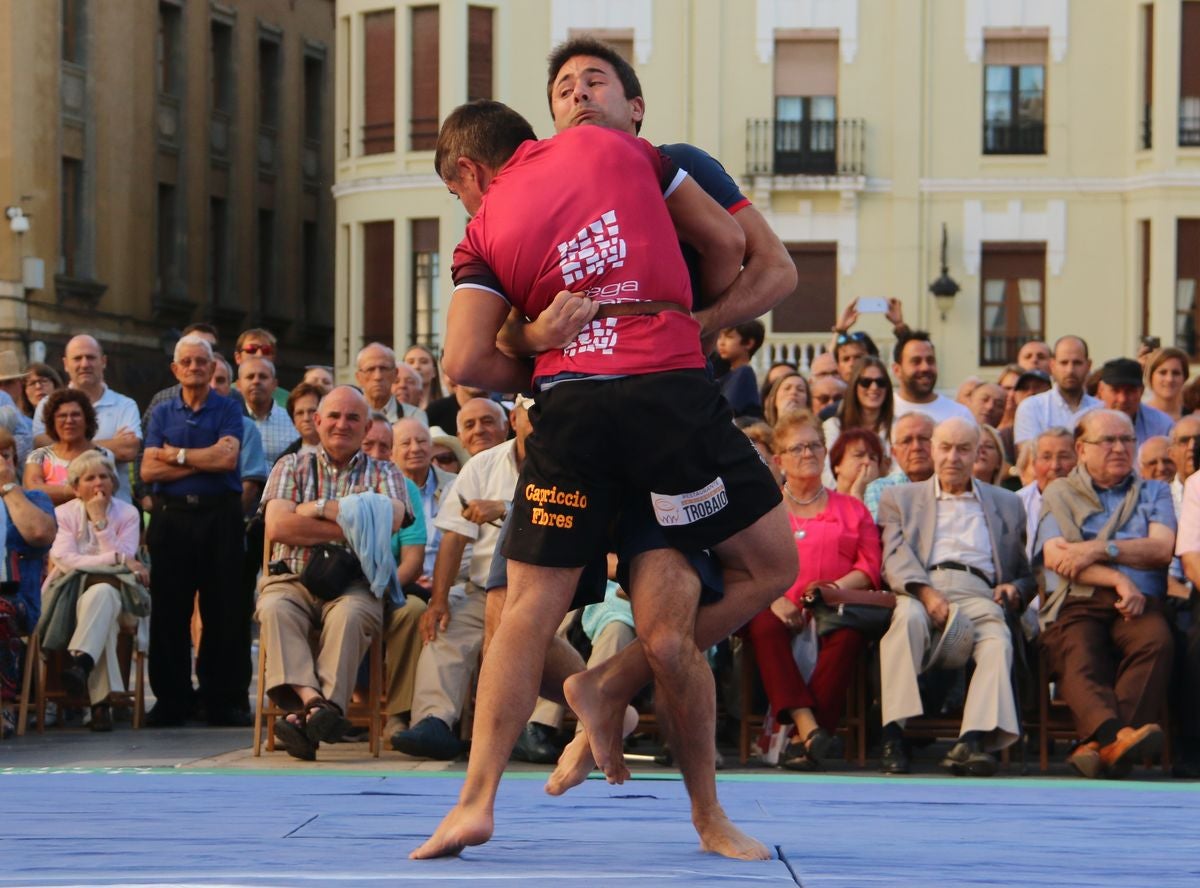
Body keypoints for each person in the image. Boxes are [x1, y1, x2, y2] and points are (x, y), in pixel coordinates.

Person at [413, 99, 793, 861]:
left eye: (459, 191)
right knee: (765, 572)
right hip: (663, 399)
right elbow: (728, 244)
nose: (579, 98)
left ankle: (478, 798)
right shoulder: (628, 152)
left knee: (531, 610)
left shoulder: (483, 230)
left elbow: (465, 364)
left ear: (468, 169)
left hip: (574, 409)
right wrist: (682, 322)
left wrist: (540, 348)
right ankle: (704, 812)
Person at [256, 385, 414, 760]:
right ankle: (317, 706)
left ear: (365, 429)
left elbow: (392, 519)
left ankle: (303, 717)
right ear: (317, 421)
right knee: (275, 608)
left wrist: (317, 507)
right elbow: (279, 527)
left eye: (353, 418)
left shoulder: (385, 471)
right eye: (335, 416)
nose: (342, 424)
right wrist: (360, 521)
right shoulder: (290, 465)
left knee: (352, 615)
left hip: (354, 584)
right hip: (290, 579)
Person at [877, 417, 1034, 775]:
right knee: (906, 621)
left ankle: (973, 741)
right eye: (945, 447)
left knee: (998, 638)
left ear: (978, 453)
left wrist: (1015, 588)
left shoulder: (1007, 503)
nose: (953, 457)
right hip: (920, 586)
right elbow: (894, 556)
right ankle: (894, 735)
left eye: (963, 449)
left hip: (979, 592)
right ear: (933, 450)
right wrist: (926, 593)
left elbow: (1026, 574)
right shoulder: (900, 498)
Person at [1036, 409, 1175, 778]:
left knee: (1157, 641)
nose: (1119, 448)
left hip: (1139, 603)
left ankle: (1100, 744)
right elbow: (1056, 556)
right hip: (1081, 599)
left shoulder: (1154, 491)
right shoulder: (1060, 491)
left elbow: (1161, 549)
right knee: (1076, 650)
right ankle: (1119, 737)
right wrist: (1118, 578)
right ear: (1081, 449)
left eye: (1127, 439)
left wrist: (1099, 549)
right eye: (1108, 441)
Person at [746, 412, 880, 770]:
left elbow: (869, 567)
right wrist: (776, 600)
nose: (808, 453)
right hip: (774, 605)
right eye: (798, 447)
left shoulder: (852, 508)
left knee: (849, 633)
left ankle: (802, 738)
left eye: (815, 445)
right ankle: (809, 727)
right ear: (779, 460)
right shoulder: (763, 508)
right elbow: (747, 564)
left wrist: (832, 590)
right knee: (763, 623)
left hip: (832, 608)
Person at [391, 401, 521, 760]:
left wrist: (505, 508)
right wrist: (439, 600)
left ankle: (534, 729)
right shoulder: (478, 467)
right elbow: (454, 536)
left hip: (541, 591)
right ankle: (434, 722)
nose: (479, 430)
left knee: (544, 639)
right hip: (482, 589)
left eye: (487, 421)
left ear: (508, 423)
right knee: (443, 627)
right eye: (470, 424)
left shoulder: (556, 462)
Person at [141, 335, 245, 727]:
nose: (195, 367)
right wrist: (204, 460)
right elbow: (149, 470)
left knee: (224, 609)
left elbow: (228, 458)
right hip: (172, 520)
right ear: (175, 369)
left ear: (212, 367)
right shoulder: (163, 412)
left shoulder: (228, 408)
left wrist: (176, 455)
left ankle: (221, 699)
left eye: (202, 361)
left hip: (220, 517)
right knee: (169, 610)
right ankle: (172, 699)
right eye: (187, 361)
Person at [43, 451, 148, 732]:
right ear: (76, 487)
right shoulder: (63, 514)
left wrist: (101, 523)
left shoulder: (127, 513)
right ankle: (100, 705)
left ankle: (83, 665)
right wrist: (113, 560)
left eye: (104, 476)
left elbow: (127, 556)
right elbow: (65, 559)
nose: (99, 483)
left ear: (114, 482)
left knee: (102, 595)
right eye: (90, 478)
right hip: (69, 600)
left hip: (123, 601)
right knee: (103, 606)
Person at [32, 335, 141, 503]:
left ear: (103, 361)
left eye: (90, 357)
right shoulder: (47, 404)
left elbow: (128, 450)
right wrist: (110, 446)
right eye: (77, 358)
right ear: (66, 364)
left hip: (115, 513)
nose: (84, 364)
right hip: (62, 515)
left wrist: (66, 447)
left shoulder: (125, 405)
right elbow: (40, 445)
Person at [0, 426, 57, 737]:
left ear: (15, 460)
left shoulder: (35, 499)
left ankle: (4, 708)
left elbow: (39, 534)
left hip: (16, 599)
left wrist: (8, 487)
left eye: (4, 456)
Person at [1013, 335, 1102, 453]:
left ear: (1088, 365)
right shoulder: (1031, 407)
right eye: (1064, 363)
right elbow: (1030, 458)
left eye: (1077, 363)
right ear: (1052, 365)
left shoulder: (1101, 409)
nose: (1070, 370)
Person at [24, 389, 113, 505]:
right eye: (62, 416)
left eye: (76, 415)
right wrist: (82, 490)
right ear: (52, 422)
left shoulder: (103, 455)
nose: (69, 420)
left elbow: (105, 491)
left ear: (87, 419)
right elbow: (34, 491)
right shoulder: (38, 456)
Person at [1015, 427, 1076, 561]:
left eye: (1064, 457)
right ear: (1034, 463)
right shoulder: (1016, 503)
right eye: (1046, 457)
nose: (1055, 466)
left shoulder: (1092, 500)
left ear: (1078, 461)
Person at [863, 412, 936, 521]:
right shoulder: (880, 489)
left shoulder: (953, 486)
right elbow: (882, 535)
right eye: (906, 441)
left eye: (923, 439)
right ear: (894, 453)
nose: (916, 447)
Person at [890, 332, 975, 424]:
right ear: (897, 370)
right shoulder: (883, 411)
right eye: (916, 361)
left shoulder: (959, 415)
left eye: (930, 361)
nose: (925, 367)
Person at [823, 355, 893, 463]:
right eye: (866, 382)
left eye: (880, 382)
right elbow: (827, 470)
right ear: (854, 386)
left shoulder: (898, 427)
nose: (874, 387)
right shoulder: (833, 427)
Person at [1095, 357, 1175, 448]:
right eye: (1115, 390)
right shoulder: (1084, 423)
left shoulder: (1162, 426)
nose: (1122, 399)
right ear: (1101, 390)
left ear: (1141, 391)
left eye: (1130, 391)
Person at [237, 356, 298, 465]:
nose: (256, 381)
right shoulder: (229, 421)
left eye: (263, 377)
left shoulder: (293, 422)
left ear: (274, 385)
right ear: (239, 385)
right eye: (250, 377)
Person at [356, 343, 430, 426]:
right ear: (359, 377)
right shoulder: (346, 415)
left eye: (383, 368)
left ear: (395, 374)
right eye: (370, 369)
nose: (378, 376)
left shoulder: (414, 416)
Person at [715, 322, 763, 417]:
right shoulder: (728, 374)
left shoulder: (744, 372)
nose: (721, 343)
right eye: (720, 337)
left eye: (729, 337)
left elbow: (727, 409)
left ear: (749, 343)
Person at [233, 328, 289, 408]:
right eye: (251, 349)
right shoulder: (222, 393)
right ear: (238, 357)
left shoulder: (288, 400)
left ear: (273, 358)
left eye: (266, 350)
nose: (259, 355)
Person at [829, 427, 884, 502]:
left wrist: (857, 492)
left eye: (872, 458)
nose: (867, 461)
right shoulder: (823, 504)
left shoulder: (887, 503)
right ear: (837, 465)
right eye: (859, 455)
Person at [1143, 347, 1189, 422]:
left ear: (1184, 377)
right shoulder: (1138, 417)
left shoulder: (1193, 416)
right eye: (1163, 372)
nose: (1169, 379)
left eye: (1176, 373)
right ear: (1150, 377)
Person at [281, 382, 323, 458]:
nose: (306, 418)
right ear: (293, 421)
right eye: (300, 413)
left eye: (312, 411)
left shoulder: (342, 451)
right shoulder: (284, 460)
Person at [404, 345, 444, 409]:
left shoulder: (446, 406)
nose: (417, 366)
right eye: (411, 362)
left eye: (424, 362)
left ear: (434, 372)